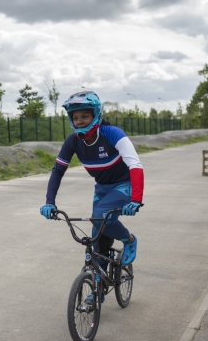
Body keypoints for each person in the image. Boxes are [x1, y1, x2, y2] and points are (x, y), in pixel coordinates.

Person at [39, 90, 144, 267]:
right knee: (97, 239)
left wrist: (136, 200)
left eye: (85, 116)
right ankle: (97, 289)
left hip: (123, 185)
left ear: (96, 115)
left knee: (99, 218)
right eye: (75, 117)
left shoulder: (112, 133)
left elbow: (135, 165)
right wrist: (50, 202)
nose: (79, 121)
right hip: (102, 188)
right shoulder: (72, 141)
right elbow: (58, 171)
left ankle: (129, 239)